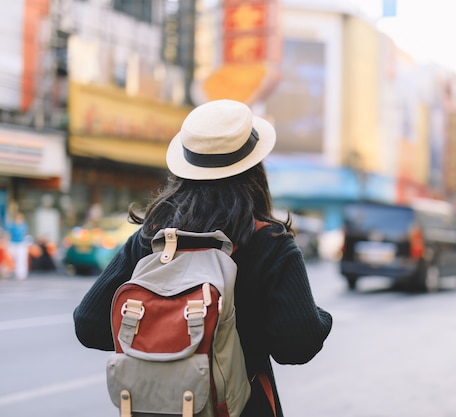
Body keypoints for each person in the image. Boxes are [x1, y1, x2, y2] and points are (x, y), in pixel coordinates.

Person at [73, 99, 333, 416]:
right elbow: (298, 344)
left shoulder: (150, 239)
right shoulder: (269, 243)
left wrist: (166, 343)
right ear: (254, 168)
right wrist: (315, 316)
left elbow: (88, 324)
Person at [6, 211, 29, 280]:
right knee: (10, 259)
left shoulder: (24, 225)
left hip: (21, 244)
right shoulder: (12, 225)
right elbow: (8, 234)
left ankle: (21, 275)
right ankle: (9, 273)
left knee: (21, 259)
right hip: (12, 243)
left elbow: (22, 233)